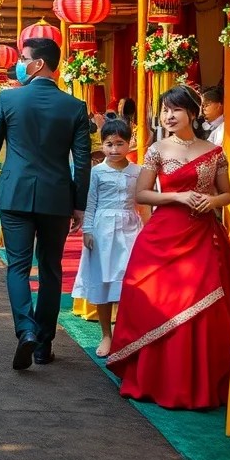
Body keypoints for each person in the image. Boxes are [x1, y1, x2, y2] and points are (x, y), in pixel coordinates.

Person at [107, 85, 230, 409]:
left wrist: (211, 200)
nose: (168, 115)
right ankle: (157, 380)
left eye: (175, 109)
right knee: (158, 302)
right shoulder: (157, 150)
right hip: (163, 235)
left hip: (202, 235)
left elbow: (228, 194)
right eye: (165, 109)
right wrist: (178, 196)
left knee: (206, 307)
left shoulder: (214, 151)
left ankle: (201, 384)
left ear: (192, 114)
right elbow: (142, 195)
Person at [0, 38, 91, 371]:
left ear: (39, 63)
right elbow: (82, 161)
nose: (19, 63)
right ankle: (44, 344)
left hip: (14, 193)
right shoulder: (74, 106)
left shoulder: (9, 99)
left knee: (17, 265)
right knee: (51, 269)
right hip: (56, 196)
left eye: (23, 58)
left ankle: (25, 330)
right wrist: (79, 204)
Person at [72, 119, 143, 358]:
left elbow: (144, 204)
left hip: (130, 228)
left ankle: (126, 334)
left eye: (120, 144)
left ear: (129, 143)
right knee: (103, 280)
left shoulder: (138, 171)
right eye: (109, 144)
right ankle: (106, 334)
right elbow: (90, 204)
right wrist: (88, 230)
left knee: (127, 281)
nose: (114, 150)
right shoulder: (97, 172)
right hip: (102, 229)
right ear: (102, 145)